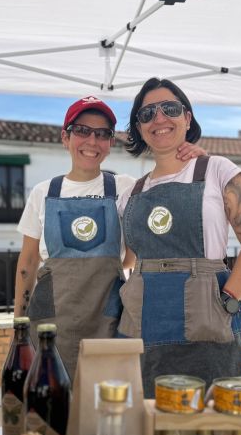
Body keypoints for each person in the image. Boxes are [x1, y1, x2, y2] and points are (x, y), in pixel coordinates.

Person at [14, 95, 204, 379]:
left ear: (110, 143)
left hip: (107, 319)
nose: (92, 141)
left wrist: (191, 157)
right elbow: (27, 264)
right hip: (51, 323)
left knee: (102, 402)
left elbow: (167, 188)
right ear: (65, 138)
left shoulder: (125, 188)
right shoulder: (44, 192)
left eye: (102, 134)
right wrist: (17, 329)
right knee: (53, 404)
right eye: (82, 131)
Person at [117, 78, 241, 397]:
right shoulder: (132, 192)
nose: (158, 118)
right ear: (139, 128)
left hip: (209, 322)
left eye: (169, 109)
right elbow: (129, 259)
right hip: (142, 326)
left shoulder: (217, 170)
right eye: (146, 114)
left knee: (212, 425)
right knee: (150, 426)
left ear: (187, 118)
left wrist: (226, 302)